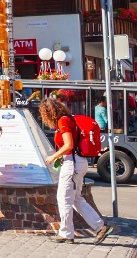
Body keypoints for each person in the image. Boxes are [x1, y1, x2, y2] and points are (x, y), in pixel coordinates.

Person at [40, 99, 111, 244]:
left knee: (64, 199)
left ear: (48, 112)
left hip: (71, 164)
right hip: (79, 162)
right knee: (76, 199)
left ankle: (66, 233)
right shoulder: (69, 119)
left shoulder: (63, 122)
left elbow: (69, 145)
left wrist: (52, 157)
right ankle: (100, 226)